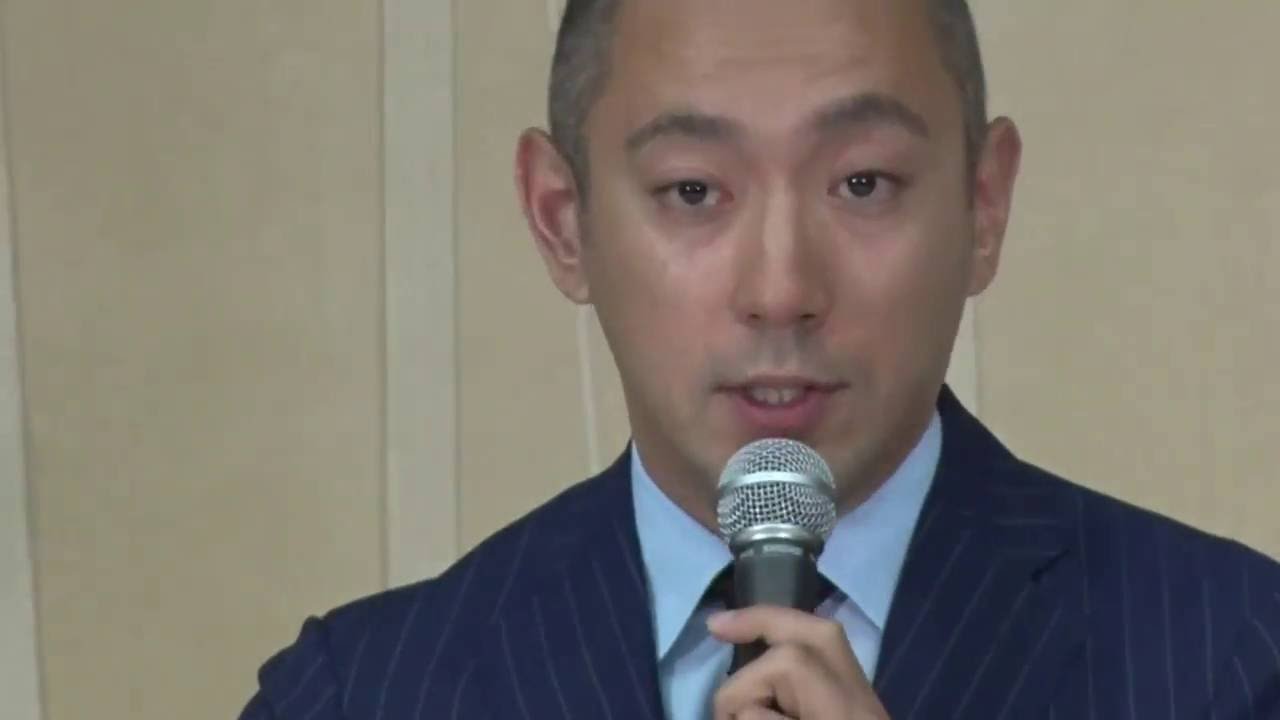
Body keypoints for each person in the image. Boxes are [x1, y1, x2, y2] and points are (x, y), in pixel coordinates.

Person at [239, 1, 1280, 717]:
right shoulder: (363, 693)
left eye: (862, 184)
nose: (780, 289)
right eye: (693, 191)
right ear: (562, 221)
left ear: (982, 205)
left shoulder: (1232, 659)